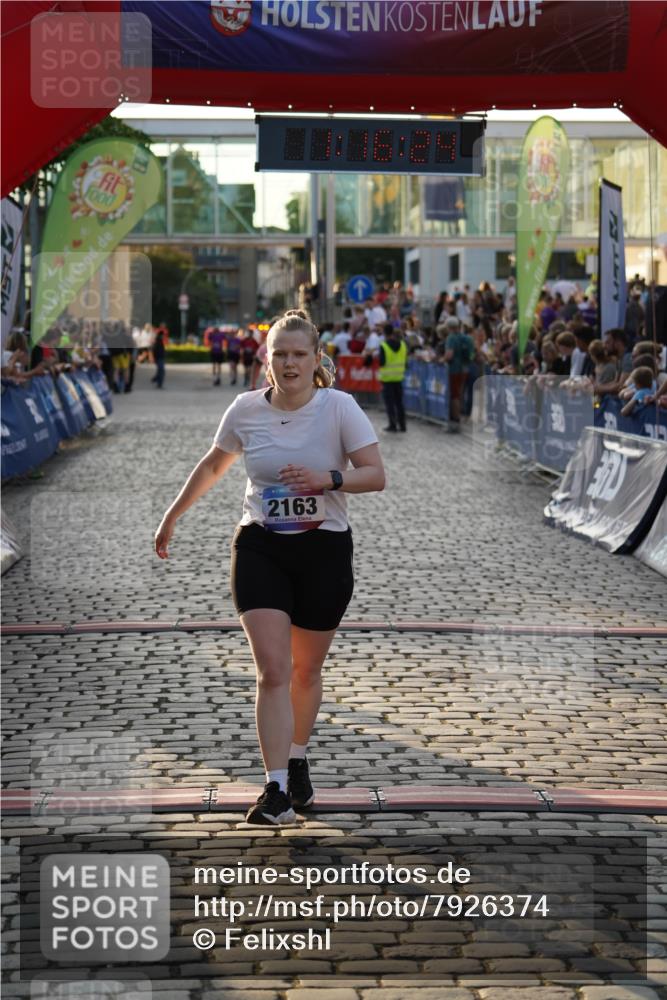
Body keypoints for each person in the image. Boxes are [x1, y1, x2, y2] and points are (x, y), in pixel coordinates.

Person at [154, 309, 385, 826]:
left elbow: (375, 475)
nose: (289, 362)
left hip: (324, 550)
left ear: (316, 358)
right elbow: (215, 463)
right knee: (273, 670)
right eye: (279, 353)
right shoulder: (245, 409)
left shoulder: (340, 408)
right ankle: (275, 787)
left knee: (306, 670)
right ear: (267, 358)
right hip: (260, 545)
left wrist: (326, 478)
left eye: (299, 353)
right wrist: (173, 514)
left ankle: (298, 757)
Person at [442, 316, 474, 431]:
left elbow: (449, 354)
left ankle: (456, 419)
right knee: (460, 393)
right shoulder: (467, 338)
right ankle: (459, 415)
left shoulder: (451, 338)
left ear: (449, 327)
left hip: (454, 370)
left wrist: (442, 360)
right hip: (465, 369)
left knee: (454, 394)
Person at [378, 322, 407, 432]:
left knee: (390, 404)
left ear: (385, 333)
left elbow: (382, 362)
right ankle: (403, 425)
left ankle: (393, 425)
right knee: (399, 403)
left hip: (387, 379)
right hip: (399, 378)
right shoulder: (403, 345)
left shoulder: (384, 346)